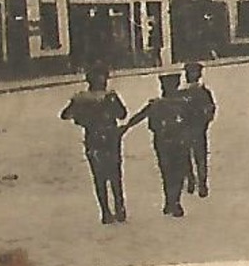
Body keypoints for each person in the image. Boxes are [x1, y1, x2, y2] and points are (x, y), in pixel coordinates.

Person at [59, 66, 128, 224]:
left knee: (100, 176)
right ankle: (118, 207)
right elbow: (122, 114)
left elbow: (66, 115)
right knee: (114, 174)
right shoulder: (110, 96)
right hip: (109, 137)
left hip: (94, 138)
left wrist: (82, 116)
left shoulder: (81, 98)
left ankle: (106, 211)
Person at [124, 73, 193, 217]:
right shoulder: (183, 103)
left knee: (167, 172)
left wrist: (124, 128)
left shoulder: (158, 104)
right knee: (177, 172)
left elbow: (139, 117)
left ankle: (171, 201)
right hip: (177, 141)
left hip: (163, 141)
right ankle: (174, 201)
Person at [179, 61, 217, 198]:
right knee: (194, 157)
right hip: (192, 129)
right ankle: (195, 181)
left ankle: (199, 182)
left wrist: (204, 122)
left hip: (195, 129)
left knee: (195, 157)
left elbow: (210, 110)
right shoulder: (185, 93)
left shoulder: (197, 93)